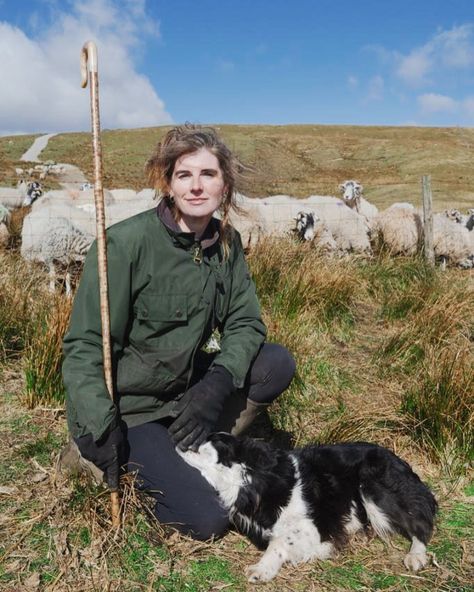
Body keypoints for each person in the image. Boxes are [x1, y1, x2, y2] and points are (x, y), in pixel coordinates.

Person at [62, 124, 296, 540]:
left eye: (208, 174)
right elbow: (84, 346)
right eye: (184, 175)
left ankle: (193, 441)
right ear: (167, 184)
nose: (196, 186)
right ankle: (94, 456)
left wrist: (218, 384)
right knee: (206, 521)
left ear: (225, 184)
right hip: (132, 409)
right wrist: (100, 425)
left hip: (187, 393)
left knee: (274, 363)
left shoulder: (226, 242)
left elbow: (245, 322)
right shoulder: (124, 244)